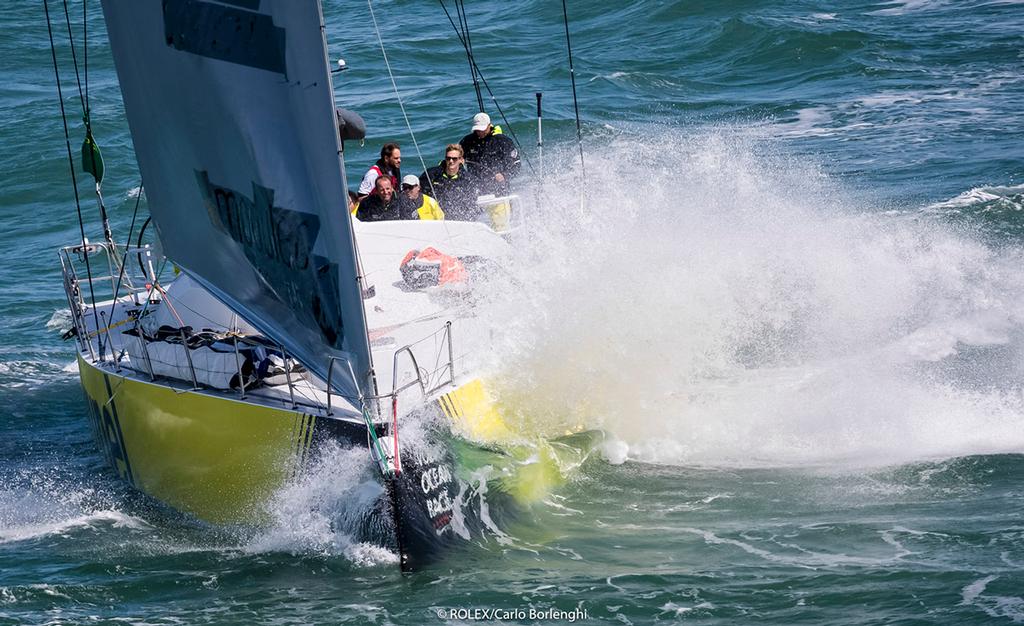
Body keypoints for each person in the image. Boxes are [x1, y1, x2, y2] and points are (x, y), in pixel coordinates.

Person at [459, 112, 520, 196]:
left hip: (499, 188)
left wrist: (504, 175)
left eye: (482, 129)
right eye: (477, 130)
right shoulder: (466, 142)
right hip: (475, 188)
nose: (480, 132)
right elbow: (455, 160)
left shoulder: (503, 141)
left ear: (489, 125)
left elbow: (516, 164)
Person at [419, 144, 480, 220]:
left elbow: (471, 203)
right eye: (448, 158)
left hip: (457, 217)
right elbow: (420, 195)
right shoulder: (431, 174)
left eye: (454, 159)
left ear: (460, 160)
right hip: (434, 216)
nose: (451, 161)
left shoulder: (468, 179)